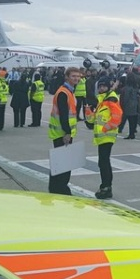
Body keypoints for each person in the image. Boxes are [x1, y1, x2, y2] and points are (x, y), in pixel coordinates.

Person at [48, 67, 82, 195]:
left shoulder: (69, 91)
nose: (76, 79)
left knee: (59, 163)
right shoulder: (64, 92)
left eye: (78, 76)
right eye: (73, 76)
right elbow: (63, 115)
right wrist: (67, 132)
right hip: (62, 133)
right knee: (64, 165)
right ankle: (61, 189)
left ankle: (54, 188)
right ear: (67, 77)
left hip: (62, 132)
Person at [89, 77, 122, 199]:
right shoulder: (103, 100)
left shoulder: (110, 99)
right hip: (102, 137)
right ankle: (105, 186)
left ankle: (106, 187)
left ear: (108, 87)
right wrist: (88, 112)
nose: (101, 88)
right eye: (100, 86)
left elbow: (117, 117)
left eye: (103, 86)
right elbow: (94, 119)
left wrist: (106, 128)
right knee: (103, 162)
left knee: (103, 162)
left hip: (107, 136)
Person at [118, 74, 140, 139]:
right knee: (133, 121)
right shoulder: (136, 87)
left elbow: (126, 98)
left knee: (130, 120)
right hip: (136, 105)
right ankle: (132, 133)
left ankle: (131, 134)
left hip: (129, 106)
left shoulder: (127, 88)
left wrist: (122, 106)